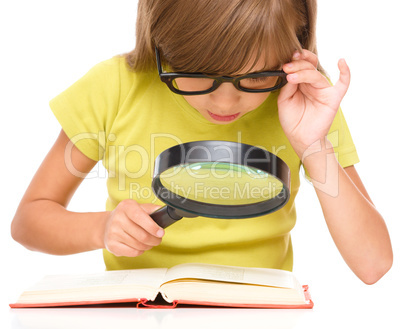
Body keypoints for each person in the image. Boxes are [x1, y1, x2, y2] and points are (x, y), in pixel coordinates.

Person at [11, 0, 392, 284]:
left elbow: (373, 263)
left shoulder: (306, 100)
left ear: (295, 52)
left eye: (255, 77)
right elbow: (29, 220)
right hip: (138, 311)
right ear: (160, 45)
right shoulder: (115, 88)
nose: (225, 102)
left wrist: (313, 144)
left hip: (259, 312)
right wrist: (102, 228)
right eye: (196, 74)